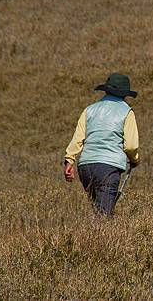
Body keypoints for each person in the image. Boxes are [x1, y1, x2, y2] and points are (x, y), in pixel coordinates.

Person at [63, 72, 140, 216]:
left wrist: (69, 161)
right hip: (108, 168)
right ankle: (99, 238)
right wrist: (135, 160)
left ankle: (95, 237)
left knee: (98, 211)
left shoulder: (89, 109)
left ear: (106, 90)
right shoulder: (127, 112)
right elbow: (130, 145)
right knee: (104, 217)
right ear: (125, 94)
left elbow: (78, 138)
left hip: (85, 167)